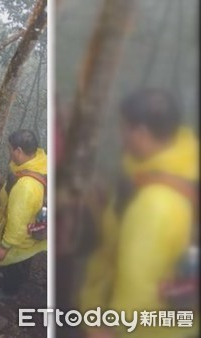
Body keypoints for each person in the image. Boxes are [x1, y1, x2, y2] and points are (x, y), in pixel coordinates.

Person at [78, 89, 198, 338]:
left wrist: (110, 328)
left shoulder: (155, 203)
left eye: (124, 128)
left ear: (141, 133)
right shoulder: (178, 170)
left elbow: (138, 283)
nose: (121, 136)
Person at [0, 129, 48, 300]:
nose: (9, 152)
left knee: (15, 260)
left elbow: (17, 223)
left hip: (22, 234)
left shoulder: (26, 186)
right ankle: (15, 280)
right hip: (33, 227)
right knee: (23, 259)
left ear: (19, 151)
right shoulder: (41, 163)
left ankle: (9, 291)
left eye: (10, 148)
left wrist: (4, 246)